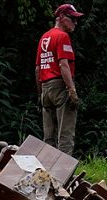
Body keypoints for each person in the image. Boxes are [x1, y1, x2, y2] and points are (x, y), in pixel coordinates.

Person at [36, 4, 83, 156]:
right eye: (73, 19)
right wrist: (72, 91)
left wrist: (40, 93)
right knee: (65, 135)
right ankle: (63, 174)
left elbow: (37, 69)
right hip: (60, 87)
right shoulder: (62, 37)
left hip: (45, 89)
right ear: (61, 18)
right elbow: (63, 65)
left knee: (48, 137)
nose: (75, 23)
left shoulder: (45, 37)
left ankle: (47, 171)